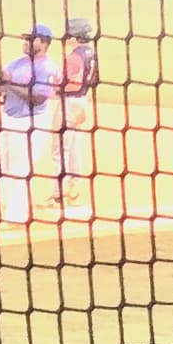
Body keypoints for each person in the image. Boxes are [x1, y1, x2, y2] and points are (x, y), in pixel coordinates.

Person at [0, 21, 61, 223]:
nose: (25, 42)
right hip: (8, 118)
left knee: (19, 169)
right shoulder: (15, 63)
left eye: (31, 39)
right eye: (25, 38)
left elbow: (39, 97)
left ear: (45, 43)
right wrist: (0, 83)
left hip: (31, 122)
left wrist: (10, 83)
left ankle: (16, 215)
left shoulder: (47, 67)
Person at [55, 14, 100, 208]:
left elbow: (72, 83)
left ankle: (58, 194)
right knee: (74, 147)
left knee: (59, 149)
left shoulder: (74, 57)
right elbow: (93, 80)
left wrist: (55, 88)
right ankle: (74, 191)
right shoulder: (90, 53)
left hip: (70, 103)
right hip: (82, 101)